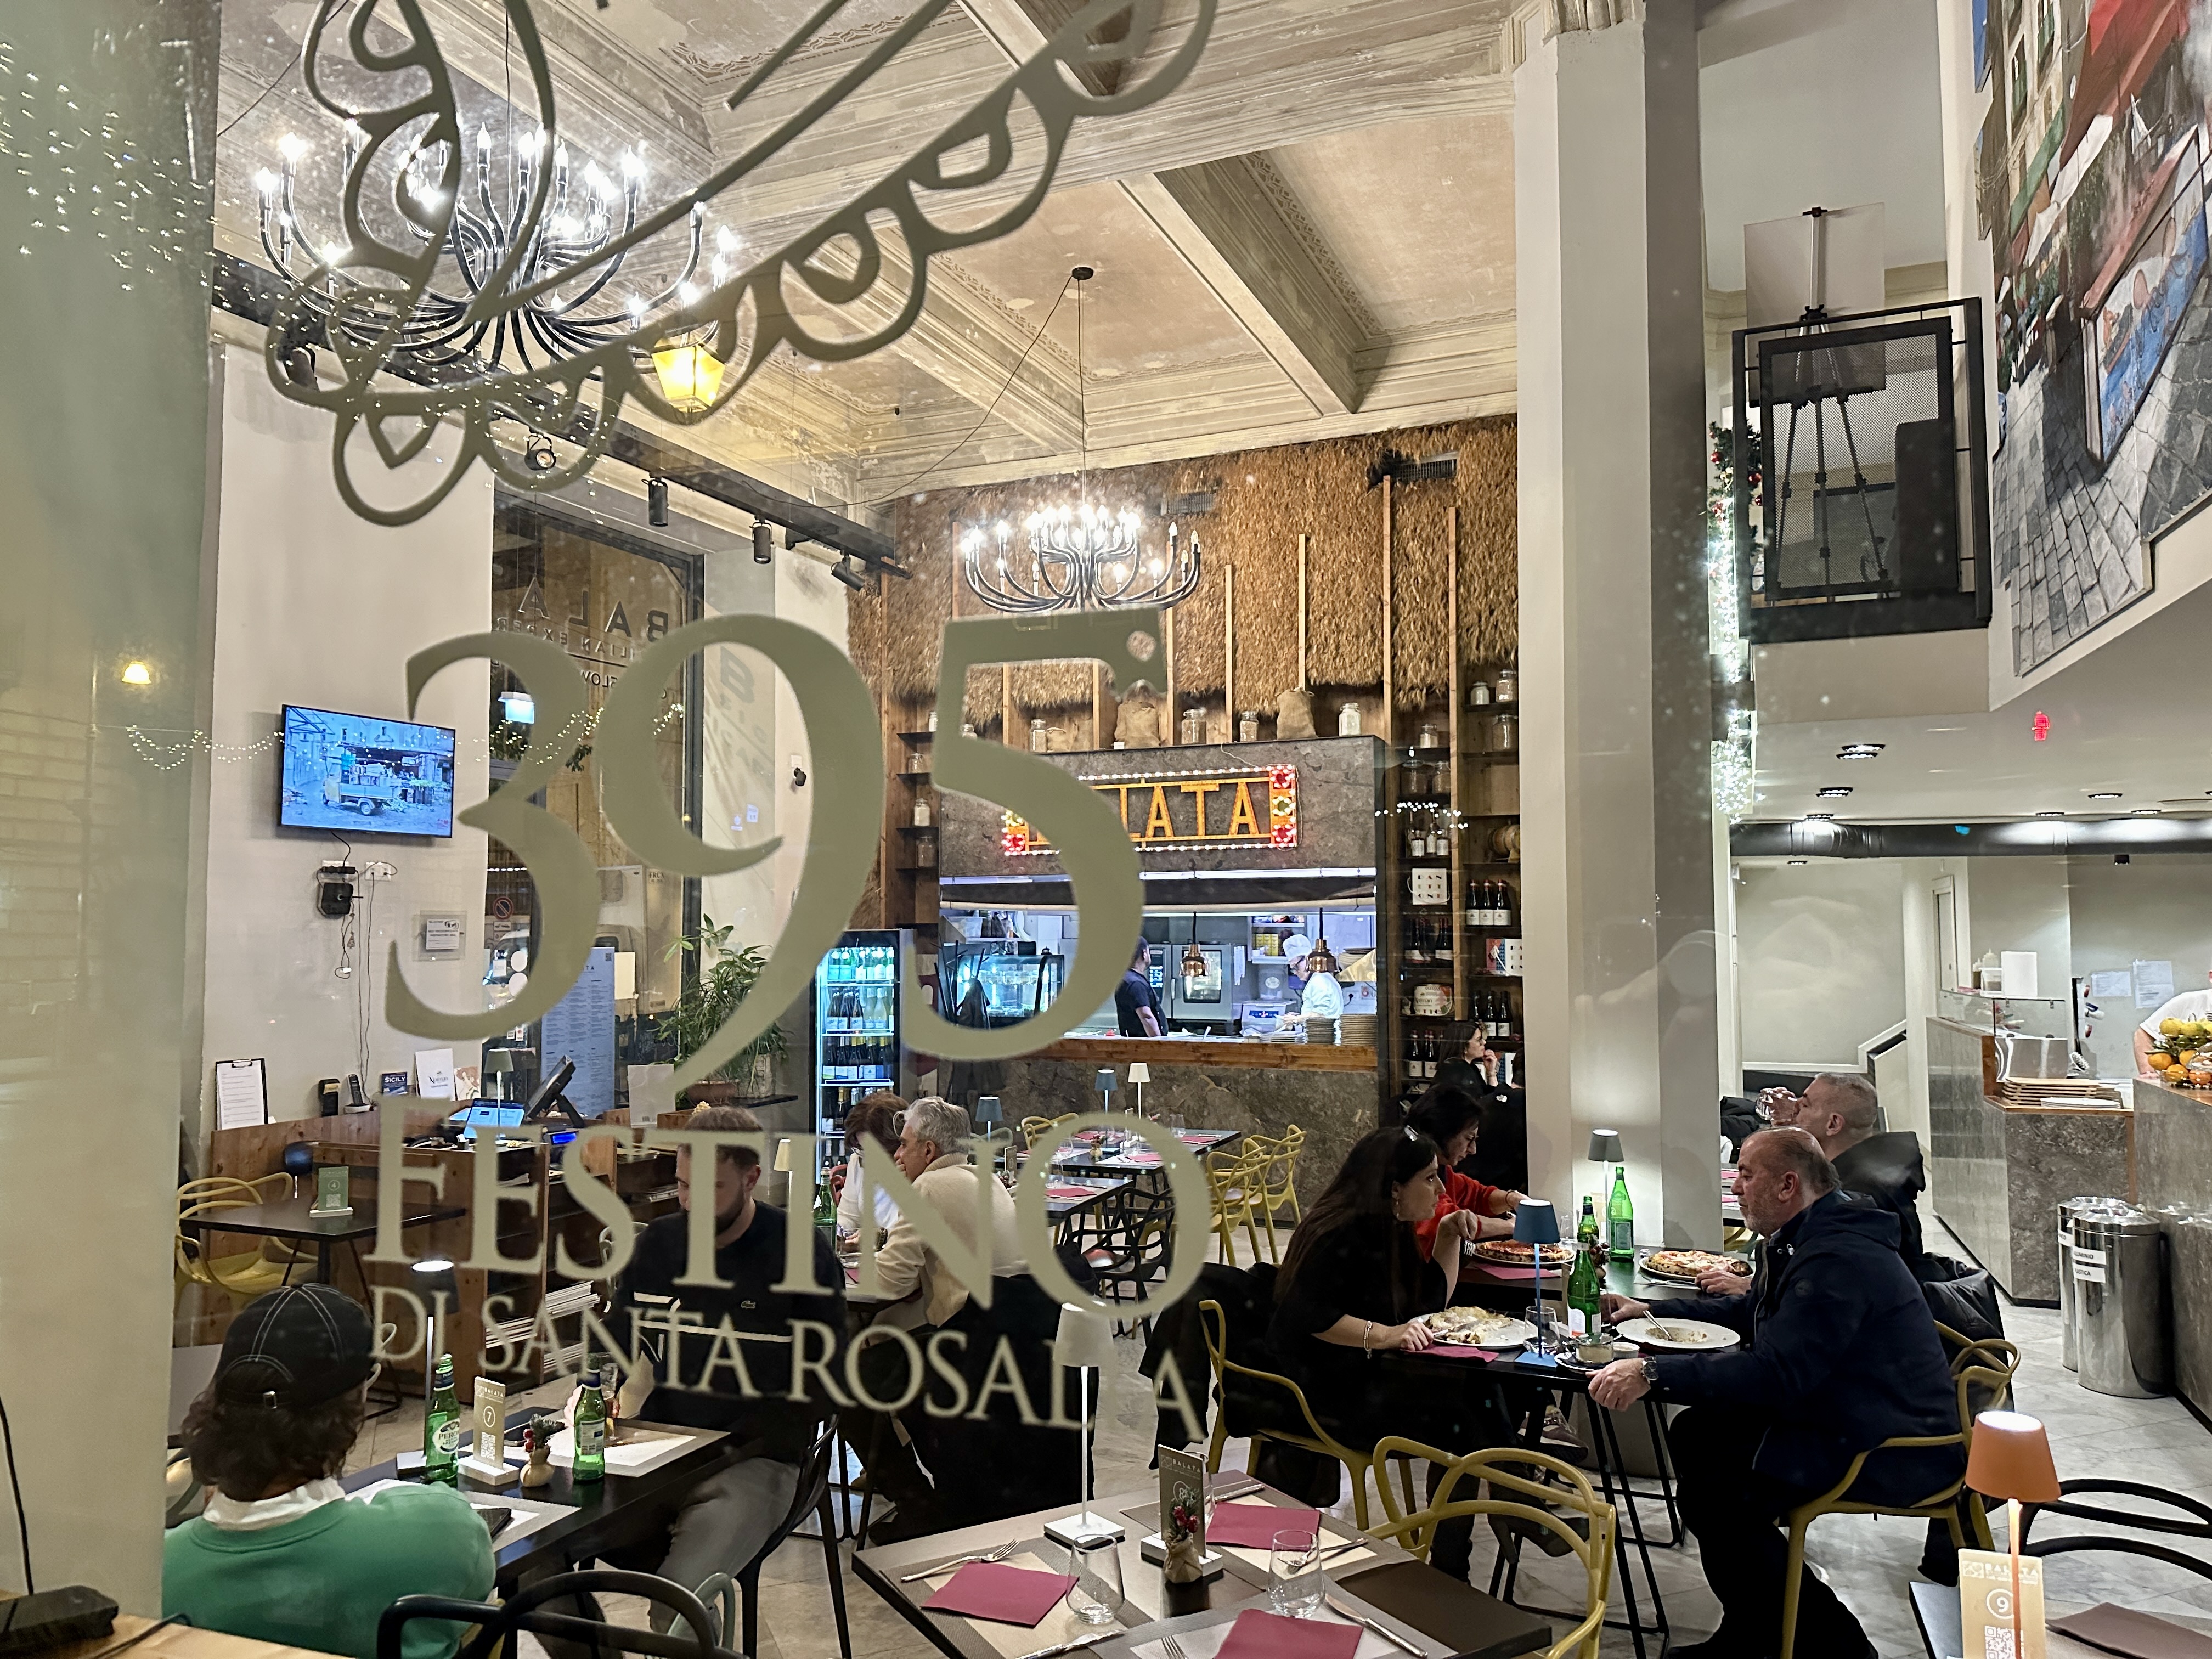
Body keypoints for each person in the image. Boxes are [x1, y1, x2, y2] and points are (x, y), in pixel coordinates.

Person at [1589, 1128, 1961, 1659]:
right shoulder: (1807, 1235)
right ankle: (1758, 1627)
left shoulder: (1837, 1255)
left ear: (1789, 1185)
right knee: (1698, 1435)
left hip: (1889, 1443)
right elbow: (1751, 1313)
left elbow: (1777, 1373)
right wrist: (1654, 1313)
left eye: (1747, 1175)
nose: (1736, 1188)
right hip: (1842, 1412)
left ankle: (1833, 1647)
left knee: (1717, 1492)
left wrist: (1653, 1371)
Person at [594, 1104, 846, 1622]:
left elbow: (827, 1385)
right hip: (658, 1451)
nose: (690, 1203)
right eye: (683, 1185)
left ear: (751, 1179)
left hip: (758, 1458)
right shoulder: (659, 1244)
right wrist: (597, 1394)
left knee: (675, 1610)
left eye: (711, 1188)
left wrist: (733, 1437)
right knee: (533, 1567)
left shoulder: (800, 1253)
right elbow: (615, 1342)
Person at [165, 1284, 495, 1659]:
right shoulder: (443, 1530)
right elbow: (478, 1600)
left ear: (218, 1403)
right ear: (352, 1411)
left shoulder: (161, 1571)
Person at [1271, 1127, 1506, 1578]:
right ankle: (1461, 1558)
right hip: (1325, 1390)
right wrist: (1384, 1335)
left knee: (1479, 1391)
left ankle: (1501, 1517)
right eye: (1430, 1179)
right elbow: (1304, 1315)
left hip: (1367, 1375)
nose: (1440, 1189)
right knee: (1462, 1419)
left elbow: (1427, 1305)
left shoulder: (1389, 1225)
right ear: (1395, 1188)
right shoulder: (1340, 1232)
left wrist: (1448, 1235)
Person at [1758, 1072, 1928, 1278]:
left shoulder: (1854, 1195)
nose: (1794, 1108)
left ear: (1833, 1125)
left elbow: (1821, 1274)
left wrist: (1752, 1288)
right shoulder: (1872, 1164)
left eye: (1805, 1105)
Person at [1402, 1082, 1525, 1259]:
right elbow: (1447, 1220)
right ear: (1443, 1132)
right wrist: (1513, 1226)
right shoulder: (1411, 1169)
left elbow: (1476, 1195)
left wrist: (1512, 1198)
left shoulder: (1442, 1170)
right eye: (1469, 1139)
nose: (1473, 1150)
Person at [1435, 1029, 1527, 1192]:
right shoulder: (1457, 1074)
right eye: (1479, 1040)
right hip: (1477, 1173)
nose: (1484, 1043)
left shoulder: (1472, 1074)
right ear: (1464, 1046)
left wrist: (1491, 1074)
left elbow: (1494, 1097)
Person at [836, 1091, 904, 1241]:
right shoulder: (858, 1161)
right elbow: (848, 1215)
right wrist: (840, 1232)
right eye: (861, 1148)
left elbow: (918, 1233)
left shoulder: (919, 1170)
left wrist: (881, 1236)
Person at [2134, 966, 2212, 1077]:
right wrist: (2148, 1073)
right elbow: (2144, 1034)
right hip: (2184, 1081)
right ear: (2211, 977)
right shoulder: (2189, 1001)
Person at [1116, 939, 1164, 1036]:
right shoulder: (1135, 983)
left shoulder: (1128, 979)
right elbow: (1147, 1017)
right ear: (1144, 954)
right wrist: (1160, 1043)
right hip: (1144, 1043)